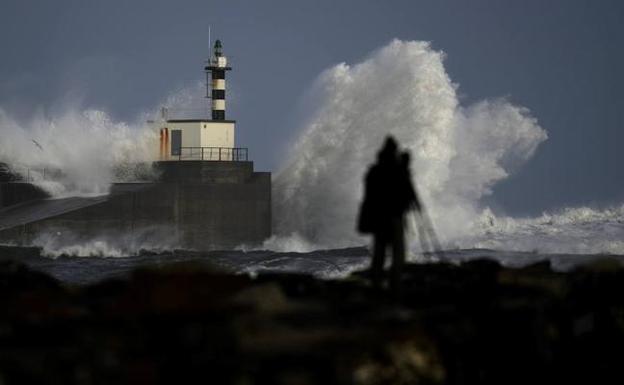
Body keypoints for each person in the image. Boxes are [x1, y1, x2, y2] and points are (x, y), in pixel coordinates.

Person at [358, 136, 419, 291]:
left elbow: (368, 195)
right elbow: (408, 194)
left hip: (378, 219)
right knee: (398, 254)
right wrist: (405, 169)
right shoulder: (398, 171)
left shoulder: (374, 171)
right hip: (394, 219)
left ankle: (376, 286)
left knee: (379, 254)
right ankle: (394, 287)